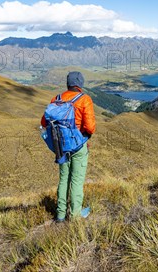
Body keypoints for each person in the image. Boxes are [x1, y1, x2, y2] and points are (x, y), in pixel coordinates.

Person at [41, 71, 96, 222]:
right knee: (77, 180)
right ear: (80, 83)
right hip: (78, 146)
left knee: (64, 178)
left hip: (61, 147)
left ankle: (60, 215)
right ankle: (75, 216)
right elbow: (90, 127)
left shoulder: (56, 99)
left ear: (68, 83)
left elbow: (44, 122)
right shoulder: (84, 99)